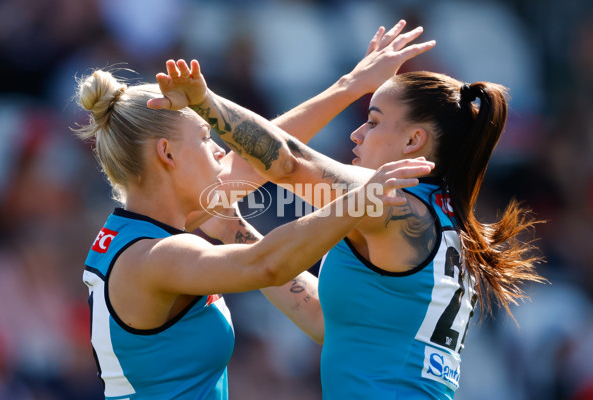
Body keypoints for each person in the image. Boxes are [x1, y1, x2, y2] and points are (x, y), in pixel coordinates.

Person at [148, 24, 544, 400]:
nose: (357, 134)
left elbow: (286, 161)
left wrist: (204, 102)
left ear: (412, 140)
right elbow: (330, 324)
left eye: (372, 122)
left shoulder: (391, 204)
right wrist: (234, 229)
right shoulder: (445, 219)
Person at [73, 24, 435, 400]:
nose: (219, 151)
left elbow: (270, 156)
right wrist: (359, 200)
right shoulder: (157, 256)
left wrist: (352, 84)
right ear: (167, 154)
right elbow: (266, 265)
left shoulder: (144, 231)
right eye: (204, 138)